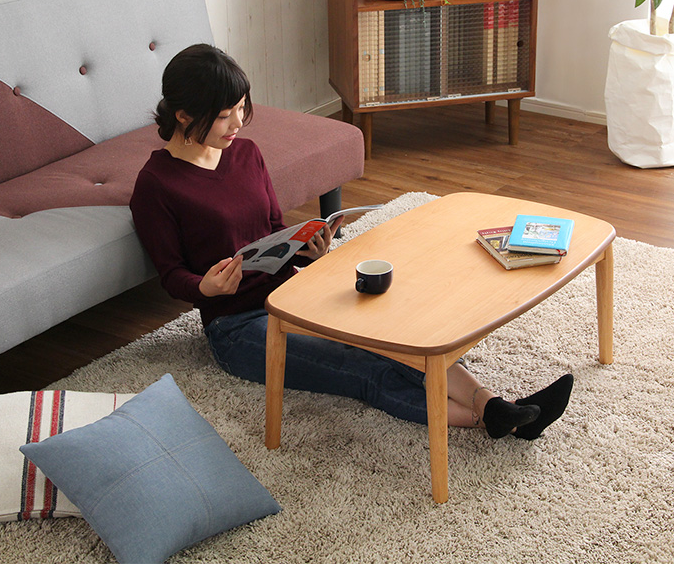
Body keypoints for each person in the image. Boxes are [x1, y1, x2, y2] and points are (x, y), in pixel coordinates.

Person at [129, 43, 573, 440]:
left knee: (395, 338)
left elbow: (273, 227)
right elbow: (171, 275)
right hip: (238, 326)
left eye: (242, 108)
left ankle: (494, 405)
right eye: (225, 115)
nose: (238, 123)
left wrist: (308, 248)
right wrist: (204, 287)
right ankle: (493, 421)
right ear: (184, 115)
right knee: (362, 369)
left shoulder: (245, 153)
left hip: (296, 295)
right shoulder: (157, 185)